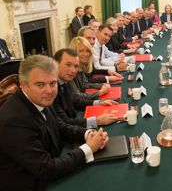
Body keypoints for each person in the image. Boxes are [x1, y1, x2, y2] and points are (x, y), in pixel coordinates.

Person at [0, 55, 108, 190]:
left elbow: (59, 126)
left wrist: (88, 134)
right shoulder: (14, 121)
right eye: (40, 85)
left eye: (52, 83)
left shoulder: (41, 98)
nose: (49, 90)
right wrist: (88, 148)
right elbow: (47, 169)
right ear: (24, 85)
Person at [53, 48, 119, 128]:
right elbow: (65, 121)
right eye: (68, 65)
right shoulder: (52, 88)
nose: (73, 70)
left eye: (76, 66)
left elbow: (75, 101)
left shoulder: (64, 81)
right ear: (55, 64)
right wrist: (97, 121)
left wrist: (99, 102)